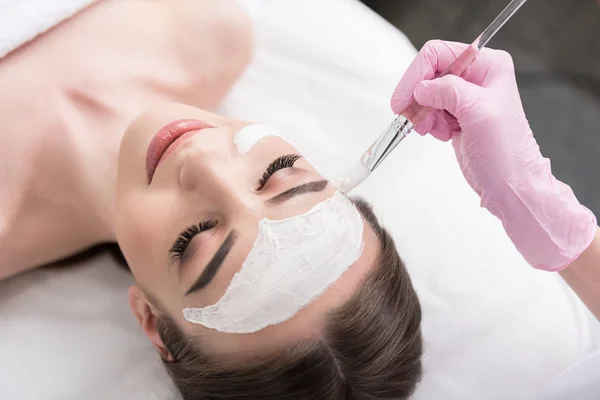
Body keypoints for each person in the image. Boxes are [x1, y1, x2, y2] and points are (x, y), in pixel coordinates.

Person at [1, 1, 423, 399]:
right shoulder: (208, 30)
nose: (202, 159)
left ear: (150, 317)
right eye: (276, 172)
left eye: (196, 237)